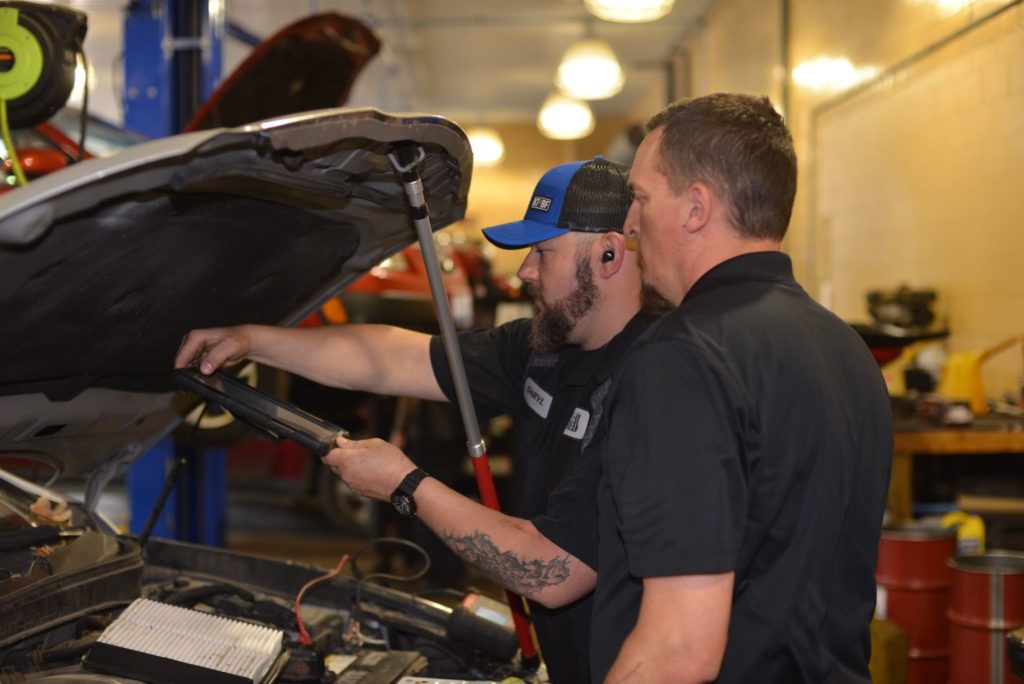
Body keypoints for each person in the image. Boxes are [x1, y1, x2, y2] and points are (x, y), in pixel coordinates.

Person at [175, 156, 659, 683]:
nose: (524, 271)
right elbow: (389, 357)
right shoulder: (545, 348)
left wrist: (406, 484)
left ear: (609, 253)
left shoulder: (656, 382)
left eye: (543, 252)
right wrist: (253, 341)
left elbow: (553, 571)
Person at [585, 93, 893, 682]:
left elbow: (679, 649)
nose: (628, 223)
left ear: (696, 207)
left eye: (642, 198)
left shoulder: (680, 358)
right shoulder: (843, 346)